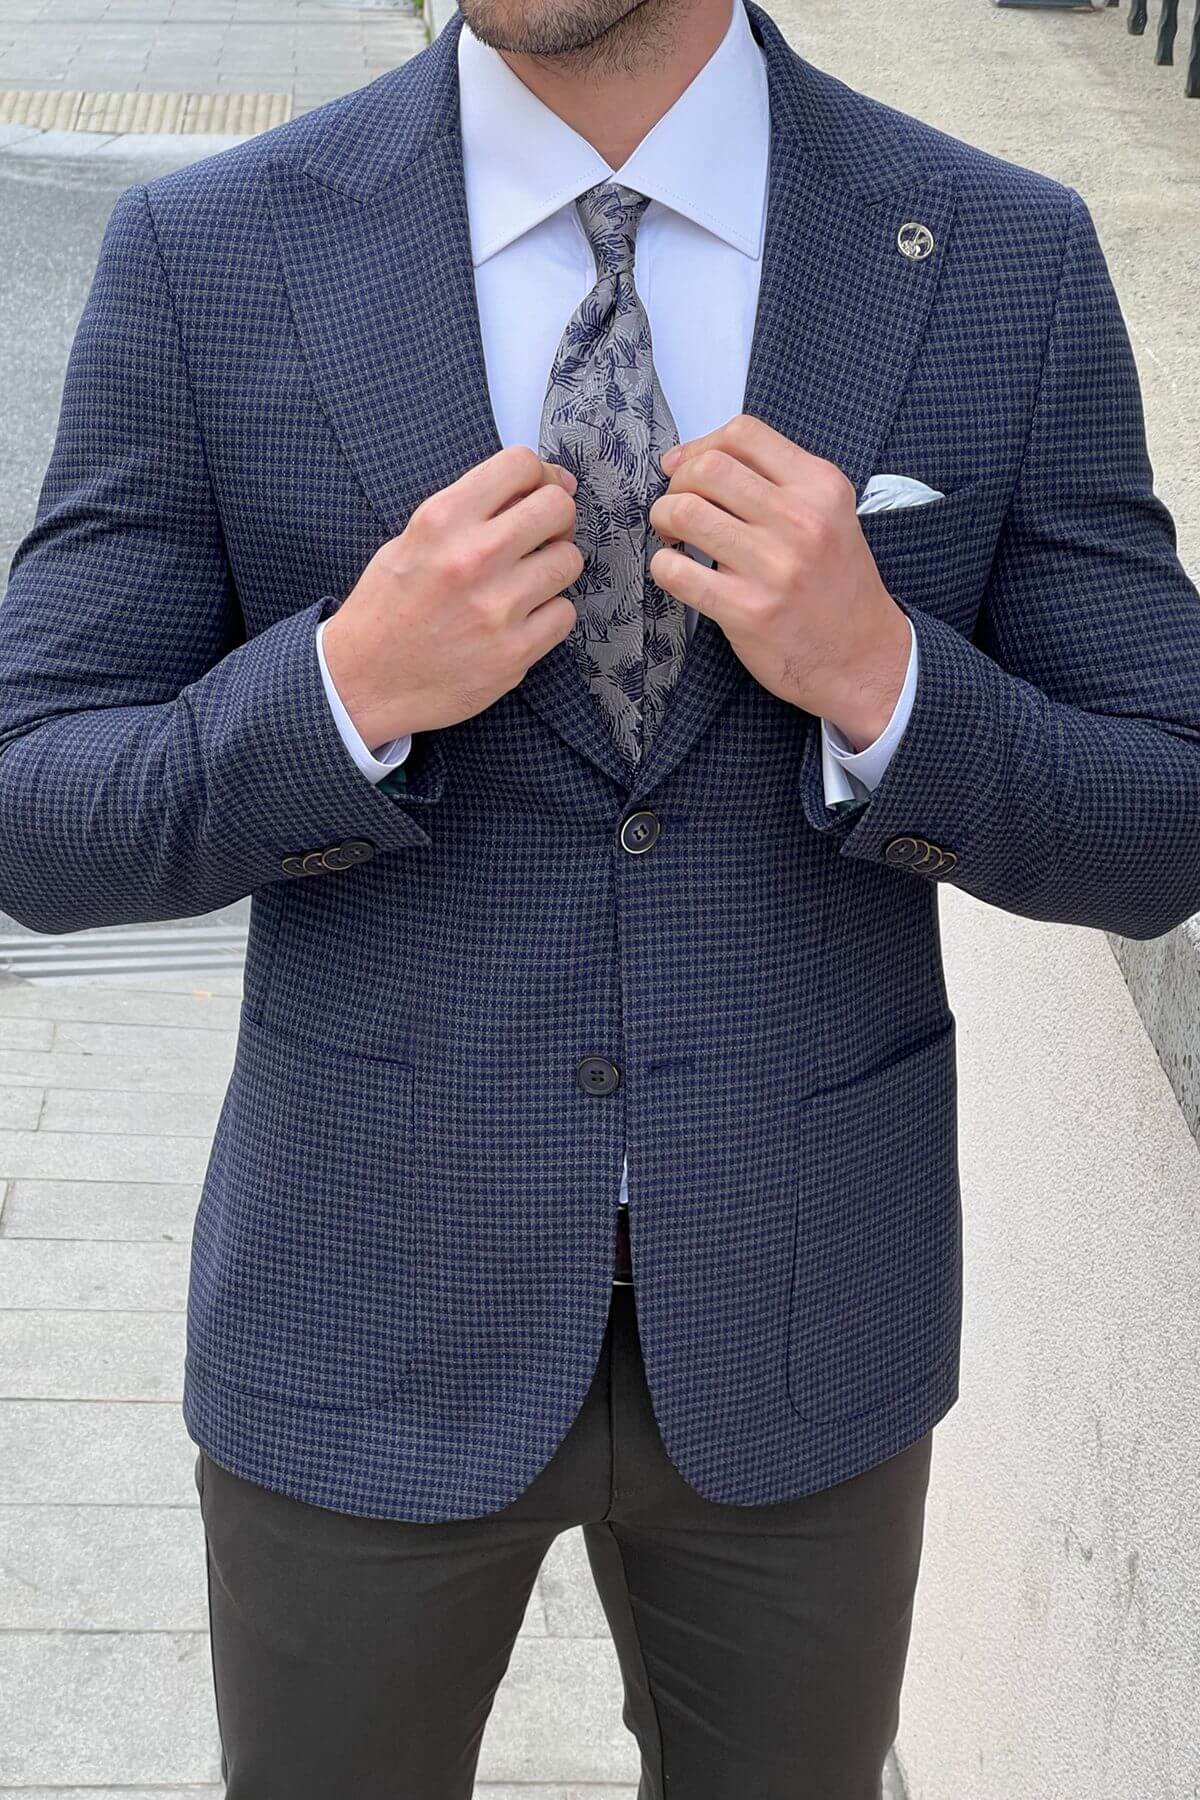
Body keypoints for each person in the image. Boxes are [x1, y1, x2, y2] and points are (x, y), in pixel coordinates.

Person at [2, 0, 1199, 1792]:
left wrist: (889, 685)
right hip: (360, 1303)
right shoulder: (216, 252)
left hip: (809, 1319)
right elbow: (37, 805)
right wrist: (341, 690)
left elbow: (1165, 813)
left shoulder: (995, 251)